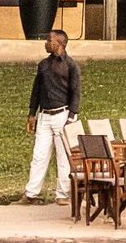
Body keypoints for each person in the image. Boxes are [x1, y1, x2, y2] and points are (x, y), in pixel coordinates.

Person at [19, 29, 82, 204]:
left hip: (62, 114)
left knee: (63, 157)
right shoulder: (43, 65)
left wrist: (71, 117)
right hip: (45, 115)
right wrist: (32, 114)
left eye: (50, 40)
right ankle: (31, 193)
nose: (46, 43)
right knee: (39, 155)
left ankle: (62, 194)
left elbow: (76, 93)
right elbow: (36, 90)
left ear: (60, 43)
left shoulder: (71, 66)